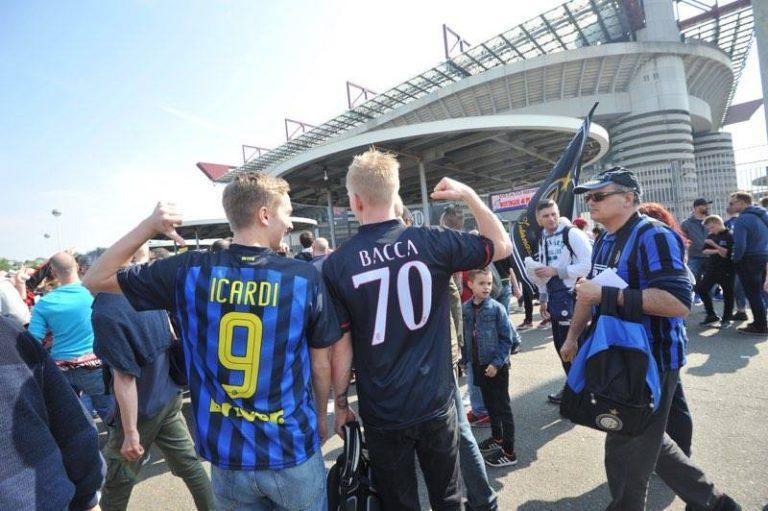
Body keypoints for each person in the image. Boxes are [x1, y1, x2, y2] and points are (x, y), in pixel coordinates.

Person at [83, 174, 341, 511]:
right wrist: (321, 416)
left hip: (227, 456)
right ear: (264, 215)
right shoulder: (302, 278)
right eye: (286, 213)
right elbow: (321, 364)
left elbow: (95, 278)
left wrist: (149, 226)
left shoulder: (190, 271)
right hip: (290, 448)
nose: (289, 223)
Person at [323, 148, 512, 510]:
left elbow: (341, 346)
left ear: (355, 201)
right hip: (435, 401)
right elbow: (501, 245)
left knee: (399, 502)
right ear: (395, 195)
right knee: (448, 497)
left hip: (382, 409)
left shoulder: (338, 264)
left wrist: (341, 403)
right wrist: (469, 196)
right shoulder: (432, 241)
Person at [561, 167, 740, 511]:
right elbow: (588, 294)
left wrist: (608, 296)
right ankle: (716, 503)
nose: (590, 202)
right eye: (589, 197)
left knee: (625, 448)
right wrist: (572, 337)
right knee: (645, 437)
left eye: (599, 195)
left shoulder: (654, 235)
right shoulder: (604, 239)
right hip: (616, 355)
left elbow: (678, 303)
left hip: (652, 359)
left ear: (628, 199)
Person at [92, 244, 215, 511]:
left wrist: (130, 433)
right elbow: (170, 337)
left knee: (117, 483)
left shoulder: (105, 312)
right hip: (168, 397)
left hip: (141, 411)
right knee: (191, 466)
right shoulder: (145, 294)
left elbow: (124, 378)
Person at [0, 317, 105, 511]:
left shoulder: (44, 307)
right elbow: (74, 429)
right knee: (100, 407)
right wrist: (88, 497)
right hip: (91, 363)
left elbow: (36, 334)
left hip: (65, 366)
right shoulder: (8, 331)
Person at [637, 201, 695, 457]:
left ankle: (679, 454)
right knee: (672, 401)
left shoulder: (660, 239)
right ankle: (680, 453)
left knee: (670, 404)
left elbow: (677, 299)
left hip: (663, 335)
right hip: (665, 335)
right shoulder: (667, 239)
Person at [28, 252, 114, 421]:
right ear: (77, 266)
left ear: (53, 272)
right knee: (108, 413)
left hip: (61, 368)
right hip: (95, 365)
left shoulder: (44, 303)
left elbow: (33, 339)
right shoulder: (94, 293)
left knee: (75, 418)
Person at [530, 199, 592, 405]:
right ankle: (574, 387)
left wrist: (558, 271)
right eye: (546, 216)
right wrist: (543, 297)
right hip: (556, 299)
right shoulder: (542, 237)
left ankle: (581, 393)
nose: (551, 218)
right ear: (538, 219)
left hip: (572, 299)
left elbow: (588, 264)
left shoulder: (571, 233)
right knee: (561, 345)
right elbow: (543, 270)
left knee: (572, 345)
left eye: (553, 214)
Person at [462, 268, 519, 468]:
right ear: (470, 284)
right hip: (479, 365)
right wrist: (465, 359)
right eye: (482, 283)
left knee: (503, 408)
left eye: (489, 283)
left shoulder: (496, 308)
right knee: (490, 405)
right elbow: (466, 337)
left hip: (497, 366)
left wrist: (496, 363)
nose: (487, 287)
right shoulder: (466, 308)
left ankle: (509, 452)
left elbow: (507, 339)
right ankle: (497, 438)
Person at [728, 191, 768, 335]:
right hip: (762, 256)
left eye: (732, 203)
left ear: (742, 202)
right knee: (759, 292)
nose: (730, 206)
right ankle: (761, 322)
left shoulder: (743, 219)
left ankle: (760, 326)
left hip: (748, 259)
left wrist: (735, 259)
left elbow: (740, 245)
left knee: (753, 293)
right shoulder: (762, 216)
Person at [697, 215, 736, 327]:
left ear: (718, 223)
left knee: (728, 294)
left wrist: (714, 245)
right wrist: (717, 251)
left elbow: (725, 254)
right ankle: (711, 315)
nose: (710, 230)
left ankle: (726, 319)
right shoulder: (711, 236)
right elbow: (705, 251)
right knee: (702, 289)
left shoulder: (729, 236)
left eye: (712, 227)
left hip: (727, 269)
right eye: (708, 228)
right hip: (712, 268)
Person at [681, 198, 712, 305]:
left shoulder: (712, 221)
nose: (707, 207)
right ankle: (695, 296)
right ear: (696, 207)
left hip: (711, 255)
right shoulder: (686, 223)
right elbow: (682, 239)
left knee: (711, 279)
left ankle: (709, 299)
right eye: (704, 205)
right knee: (693, 278)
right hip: (694, 256)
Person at [723, 206, 749, 321]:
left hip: (738, 257)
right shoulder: (747, 220)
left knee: (738, 286)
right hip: (752, 256)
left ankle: (741, 310)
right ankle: (742, 310)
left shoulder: (729, 223)